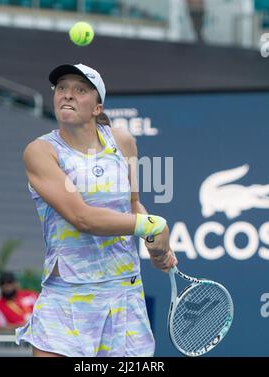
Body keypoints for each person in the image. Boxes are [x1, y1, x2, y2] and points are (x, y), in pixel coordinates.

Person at [15, 63, 177, 357]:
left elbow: (132, 205)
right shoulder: (40, 152)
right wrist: (152, 226)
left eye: (80, 90)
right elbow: (81, 217)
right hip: (66, 297)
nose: (67, 95)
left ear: (96, 107)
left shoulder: (123, 142)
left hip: (124, 296)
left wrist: (158, 251)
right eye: (61, 88)